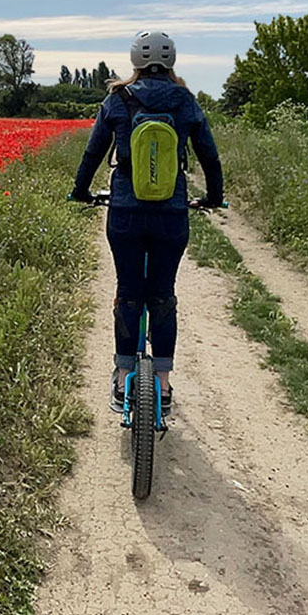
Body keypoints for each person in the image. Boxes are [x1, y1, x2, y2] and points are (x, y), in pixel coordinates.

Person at [68, 29, 224, 415]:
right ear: (171, 62)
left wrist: (81, 191)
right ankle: (165, 383)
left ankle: (123, 378)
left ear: (135, 60)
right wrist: (214, 197)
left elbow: (92, 154)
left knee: (129, 292)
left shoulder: (117, 99)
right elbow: (210, 156)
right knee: (162, 295)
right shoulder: (185, 100)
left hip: (125, 212)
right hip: (171, 214)